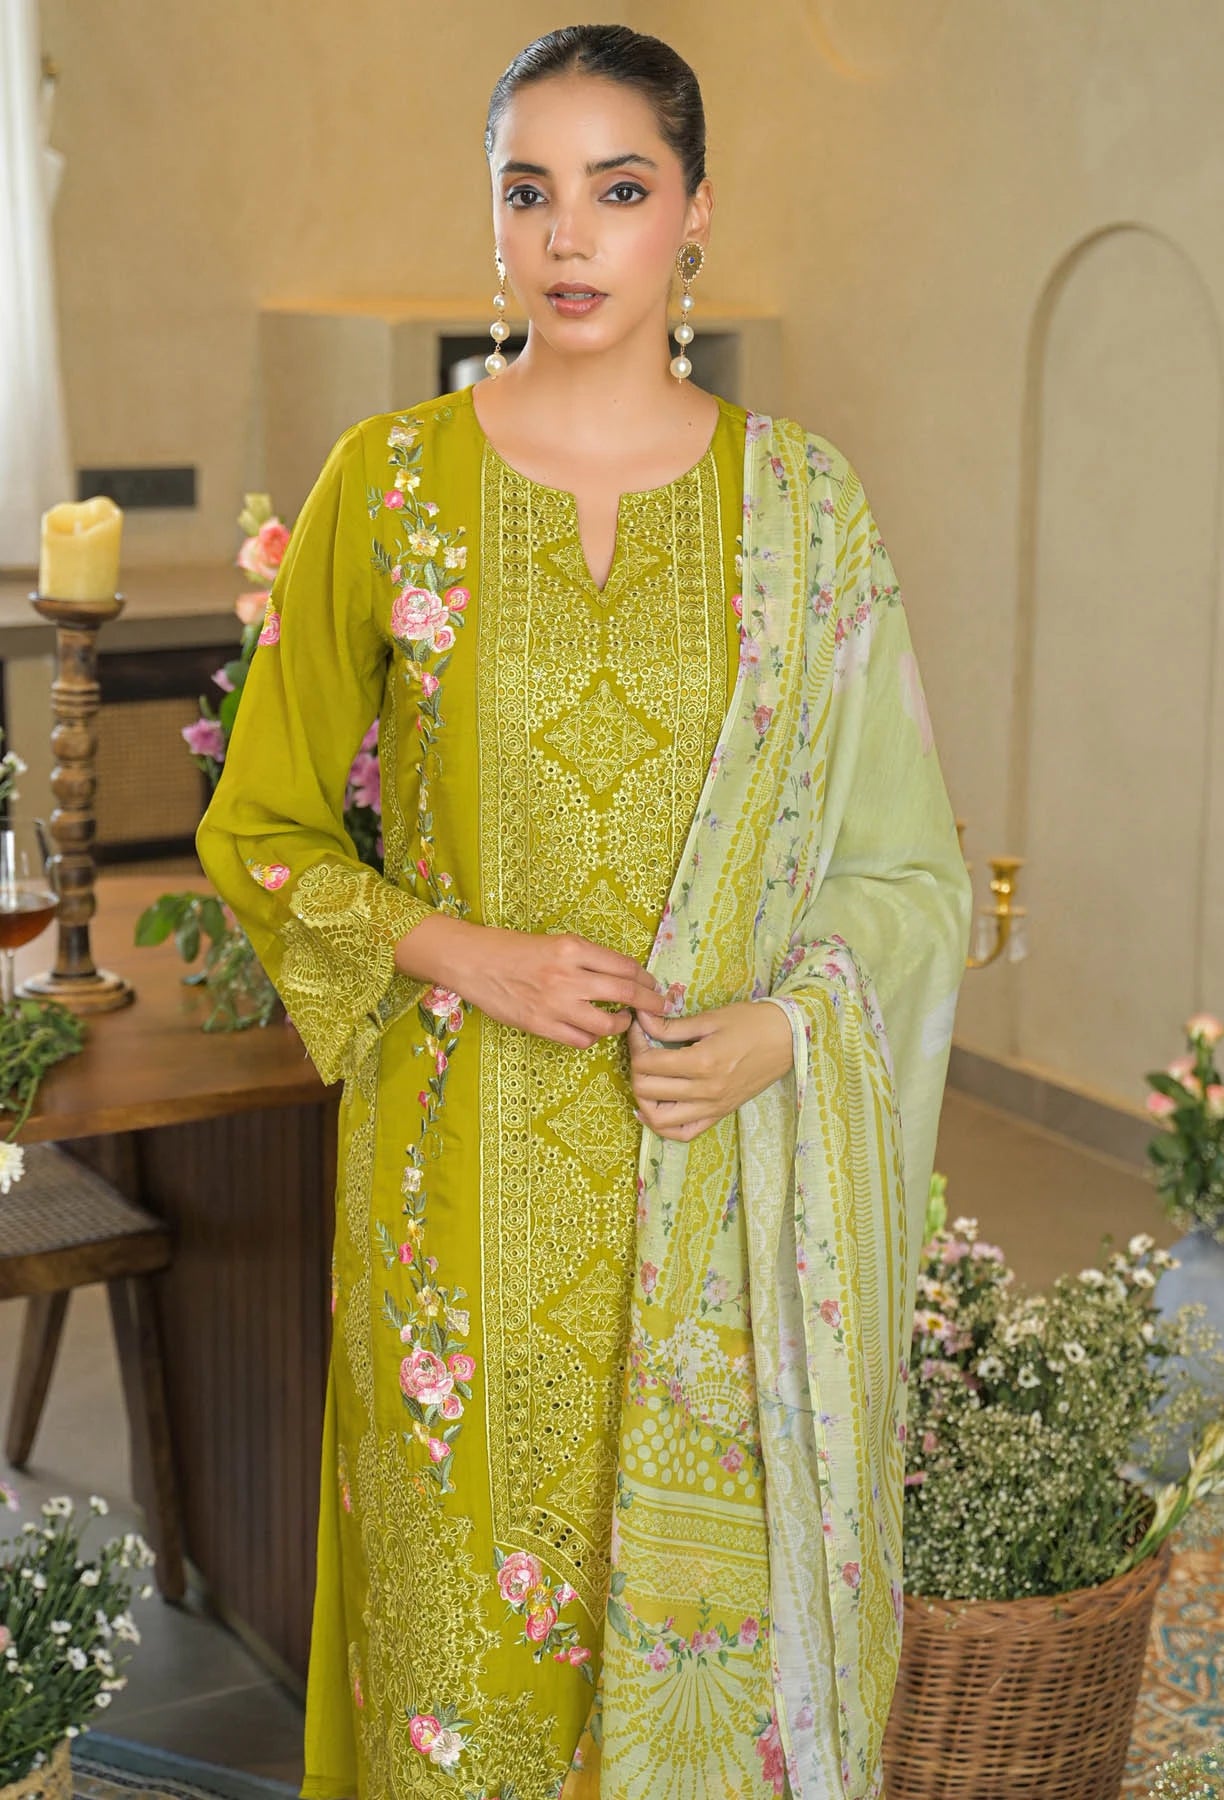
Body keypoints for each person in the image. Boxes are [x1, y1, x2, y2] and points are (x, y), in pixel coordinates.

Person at [196, 23, 972, 1800]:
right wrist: (465, 950)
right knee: (460, 1677)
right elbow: (262, 824)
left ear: (694, 215)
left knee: (705, 1702)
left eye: (619, 192)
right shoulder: (387, 487)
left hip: (718, 1193)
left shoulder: (809, 509)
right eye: (529, 192)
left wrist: (779, 1033)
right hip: (458, 1198)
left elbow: (913, 868)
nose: (572, 236)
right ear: (490, 222)